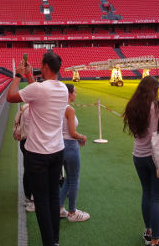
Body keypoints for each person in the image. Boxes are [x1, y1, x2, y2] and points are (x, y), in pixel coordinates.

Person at [7, 51, 68, 246]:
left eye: (41, 65)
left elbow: (10, 96)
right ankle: (55, 241)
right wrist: (28, 76)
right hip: (57, 151)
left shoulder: (40, 90)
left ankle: (49, 243)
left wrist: (17, 75)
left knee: (41, 201)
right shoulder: (63, 89)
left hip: (37, 154)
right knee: (53, 197)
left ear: (45, 67)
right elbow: (39, 90)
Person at [124, 76, 159, 246]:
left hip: (139, 155)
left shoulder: (133, 105)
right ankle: (154, 241)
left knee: (147, 193)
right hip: (157, 155)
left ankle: (148, 231)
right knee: (158, 198)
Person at [59, 84, 89, 222]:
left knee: (68, 179)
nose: (76, 94)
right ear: (69, 94)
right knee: (74, 179)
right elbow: (72, 132)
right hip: (70, 146)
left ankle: (59, 208)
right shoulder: (69, 109)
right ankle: (72, 212)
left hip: (61, 146)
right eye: (75, 92)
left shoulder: (58, 107)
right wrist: (81, 137)